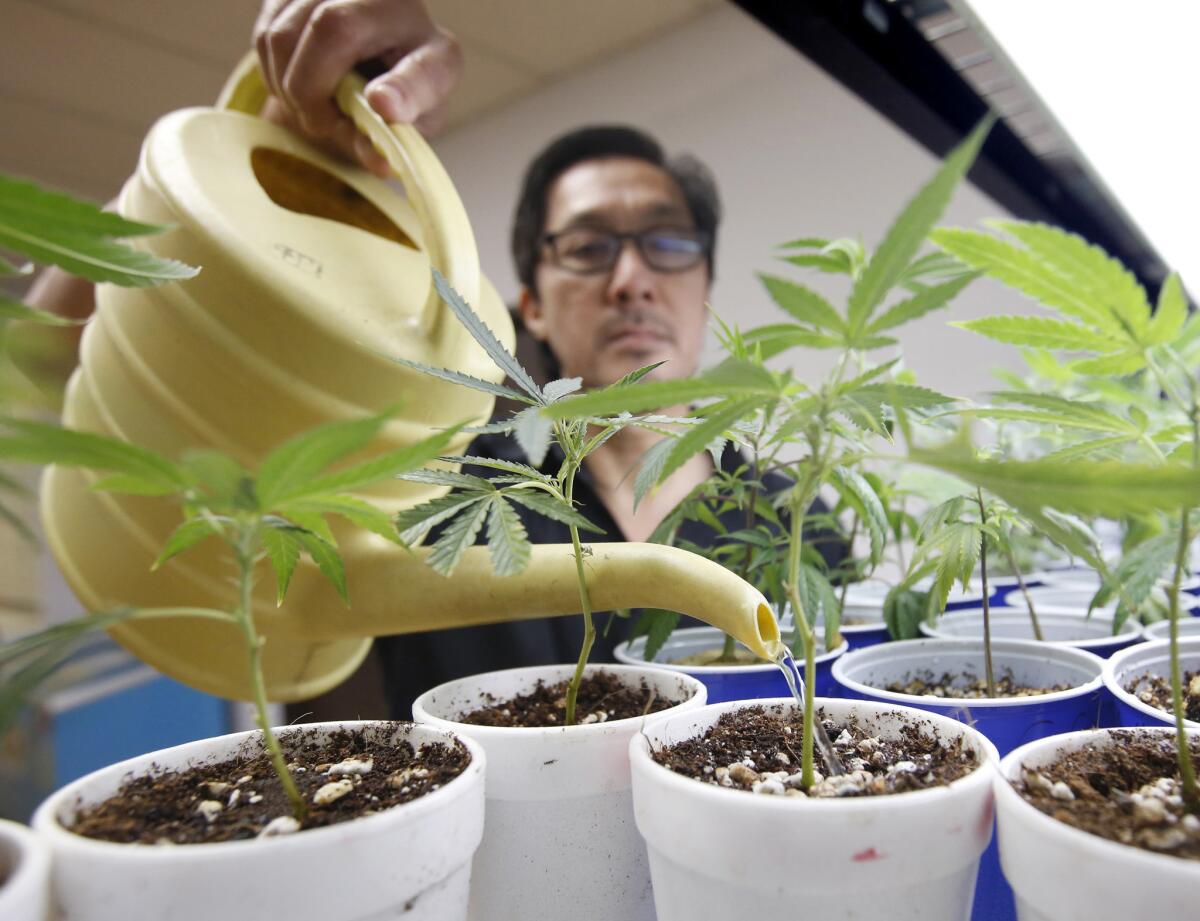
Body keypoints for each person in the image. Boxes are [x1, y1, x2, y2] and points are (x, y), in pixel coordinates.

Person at [28, 0, 845, 719]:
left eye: (667, 244)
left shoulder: (795, 512)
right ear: (529, 302)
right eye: (589, 248)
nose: (631, 281)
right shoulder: (431, 461)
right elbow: (47, 352)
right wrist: (273, 145)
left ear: (704, 288)